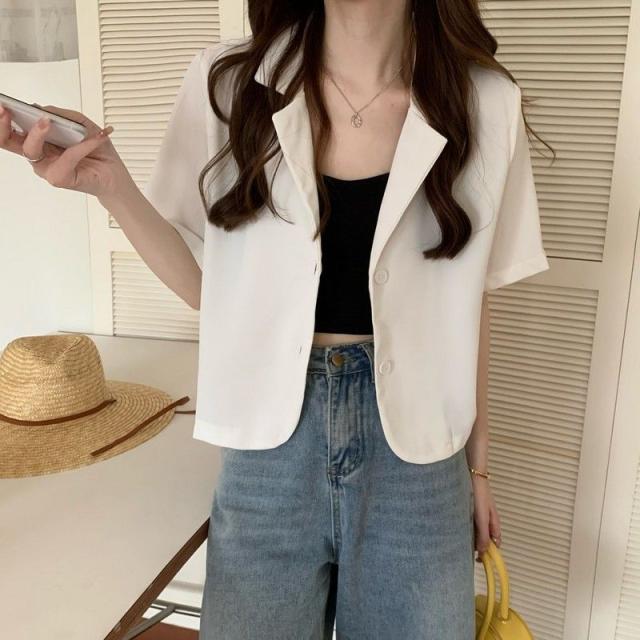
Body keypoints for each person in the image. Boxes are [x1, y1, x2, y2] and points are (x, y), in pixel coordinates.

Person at [0, 1, 551, 637]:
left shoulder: (483, 102)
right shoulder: (228, 86)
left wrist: (478, 469)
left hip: (420, 461)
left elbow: (472, 300)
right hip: (268, 449)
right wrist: (110, 184)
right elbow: (207, 290)